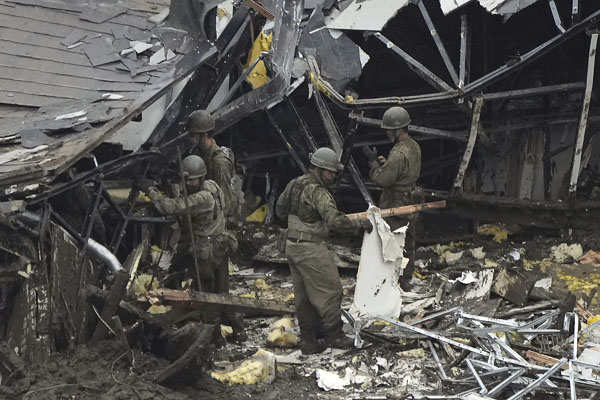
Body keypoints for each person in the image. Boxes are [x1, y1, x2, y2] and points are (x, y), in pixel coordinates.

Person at [276, 147, 372, 354]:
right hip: (311, 247)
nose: (332, 177)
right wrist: (359, 225)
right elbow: (334, 220)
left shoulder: (294, 184)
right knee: (331, 290)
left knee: (304, 296)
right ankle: (335, 336)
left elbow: (279, 210)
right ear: (318, 169)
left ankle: (309, 341)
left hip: (292, 246)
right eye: (329, 172)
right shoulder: (318, 192)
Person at [143, 155, 235, 293]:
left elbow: (170, 207)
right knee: (221, 287)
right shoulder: (212, 185)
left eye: (192, 180)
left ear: (201, 177)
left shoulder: (202, 198)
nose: (189, 184)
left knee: (204, 287)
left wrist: (151, 191)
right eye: (186, 180)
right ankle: (225, 313)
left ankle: (207, 313)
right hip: (221, 242)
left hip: (207, 249)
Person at [366, 106, 421, 290]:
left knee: (393, 243)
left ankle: (395, 283)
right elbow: (402, 171)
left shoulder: (398, 153)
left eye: (389, 129)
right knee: (408, 241)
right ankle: (406, 279)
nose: (387, 133)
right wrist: (387, 164)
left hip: (396, 202)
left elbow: (383, 180)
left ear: (397, 130)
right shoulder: (413, 146)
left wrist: (374, 165)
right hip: (410, 199)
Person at [186, 110, 238, 224]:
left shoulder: (219, 163)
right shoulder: (198, 152)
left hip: (215, 219)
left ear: (203, 135)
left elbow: (225, 201)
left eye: (192, 134)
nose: (189, 138)